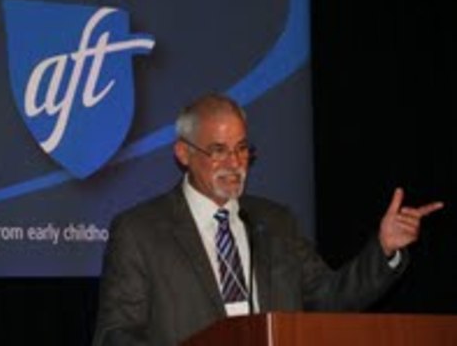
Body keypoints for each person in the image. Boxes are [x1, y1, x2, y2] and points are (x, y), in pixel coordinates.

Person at [92, 93, 443, 346]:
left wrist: (383, 250)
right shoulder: (140, 231)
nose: (234, 162)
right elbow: (116, 335)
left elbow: (329, 300)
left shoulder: (275, 222)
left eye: (242, 148)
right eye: (218, 150)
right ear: (184, 153)